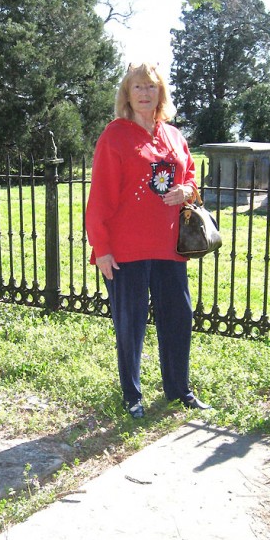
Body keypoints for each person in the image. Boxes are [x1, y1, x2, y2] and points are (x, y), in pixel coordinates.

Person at [85, 62, 211, 419]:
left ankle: (178, 389)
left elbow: (189, 175)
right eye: (137, 87)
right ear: (127, 93)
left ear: (160, 93)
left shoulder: (173, 135)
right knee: (131, 323)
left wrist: (187, 188)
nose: (144, 93)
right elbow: (101, 198)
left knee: (178, 318)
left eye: (150, 87)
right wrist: (103, 250)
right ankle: (132, 396)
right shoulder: (115, 136)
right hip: (127, 250)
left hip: (170, 248)